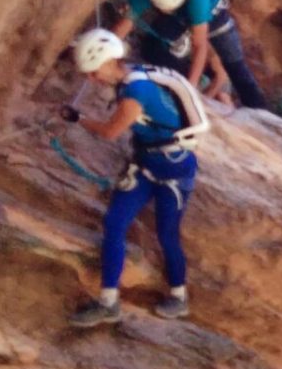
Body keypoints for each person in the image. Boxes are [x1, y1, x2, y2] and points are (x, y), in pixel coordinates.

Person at [57, 28, 206, 326]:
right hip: (148, 164)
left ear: (108, 62)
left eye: (92, 71)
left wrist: (78, 119)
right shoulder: (130, 75)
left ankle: (179, 296)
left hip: (172, 169)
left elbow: (111, 132)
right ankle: (108, 302)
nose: (91, 79)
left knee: (167, 234)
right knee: (114, 224)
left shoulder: (136, 91)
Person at [158, 0, 271, 110]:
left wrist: (189, 89)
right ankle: (175, 80)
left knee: (237, 69)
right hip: (187, 14)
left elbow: (200, 45)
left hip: (217, 22)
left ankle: (259, 111)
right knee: (155, 45)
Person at [120, 0, 218, 91]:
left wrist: (190, 86)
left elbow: (200, 45)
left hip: (196, 13)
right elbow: (125, 23)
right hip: (177, 19)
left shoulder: (198, 0)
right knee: (150, 47)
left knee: (153, 49)